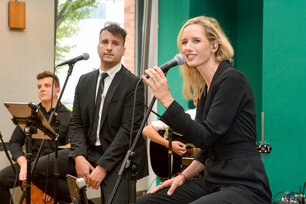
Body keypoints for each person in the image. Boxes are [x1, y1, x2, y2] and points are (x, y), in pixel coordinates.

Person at [137, 16, 272, 204]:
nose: (187, 47)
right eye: (184, 42)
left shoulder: (232, 80)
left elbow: (204, 136)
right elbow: (206, 148)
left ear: (214, 46)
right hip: (211, 181)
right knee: (146, 202)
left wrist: (167, 100)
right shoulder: (204, 91)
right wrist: (182, 176)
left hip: (244, 184)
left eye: (196, 41)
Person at [31, 23, 148, 204]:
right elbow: (76, 123)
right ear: (98, 46)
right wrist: (78, 157)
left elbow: (127, 132)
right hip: (87, 152)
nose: (109, 47)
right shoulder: (84, 81)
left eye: (115, 43)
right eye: (105, 42)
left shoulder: (134, 84)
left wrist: (103, 167)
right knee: (36, 170)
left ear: (124, 50)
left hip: (118, 157)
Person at [0, 71, 71, 204]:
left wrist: (48, 186)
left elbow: (66, 153)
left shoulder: (68, 116)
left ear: (57, 90)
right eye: (39, 87)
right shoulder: (30, 113)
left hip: (51, 170)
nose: (42, 89)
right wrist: (23, 164)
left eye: (47, 86)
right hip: (28, 164)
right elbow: (14, 142)